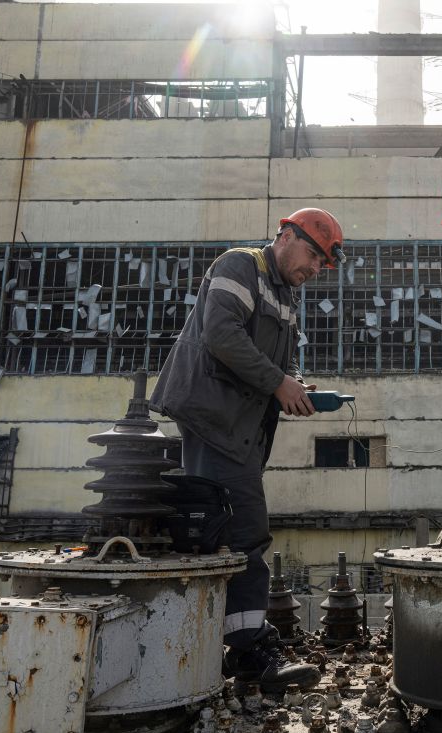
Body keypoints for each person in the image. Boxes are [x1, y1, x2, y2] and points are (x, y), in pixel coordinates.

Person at [151, 208, 346, 691]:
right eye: (314, 256)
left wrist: (292, 385)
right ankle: (250, 655)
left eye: (322, 265)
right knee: (245, 528)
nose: (315, 269)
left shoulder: (284, 293)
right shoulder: (241, 266)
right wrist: (279, 382)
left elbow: (262, 361)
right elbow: (221, 335)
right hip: (213, 417)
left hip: (237, 426)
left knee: (215, 530)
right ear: (285, 236)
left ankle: (216, 646)